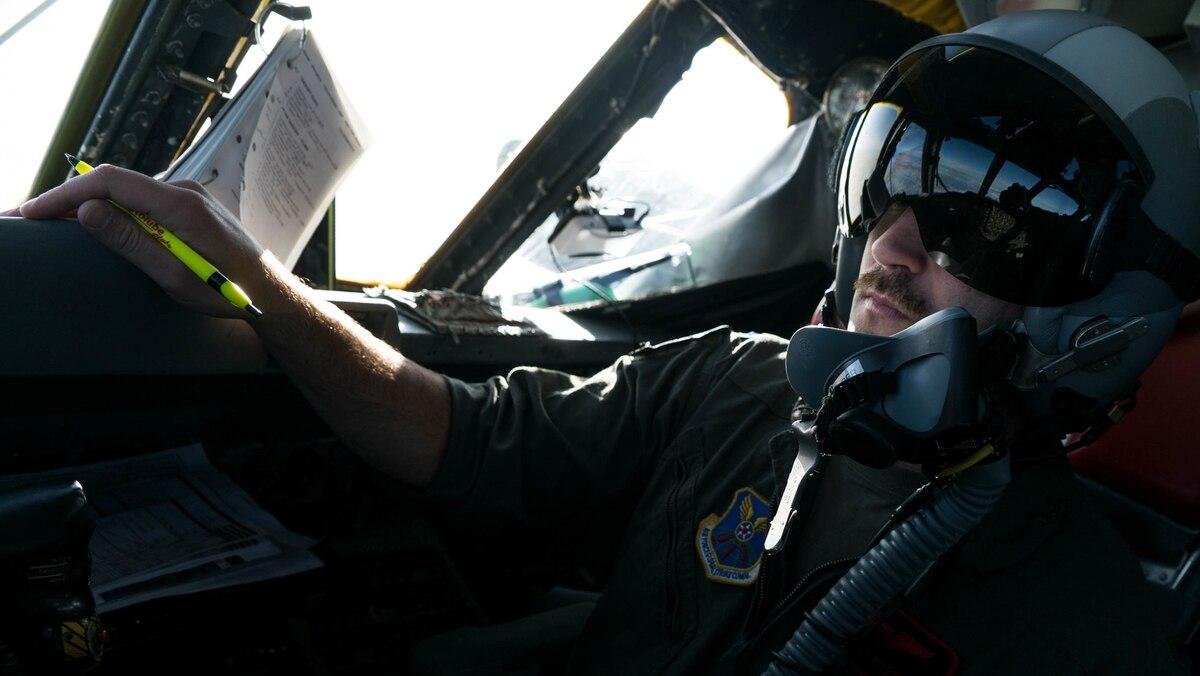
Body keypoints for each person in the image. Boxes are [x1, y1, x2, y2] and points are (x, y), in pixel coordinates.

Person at [10, 9, 1198, 675]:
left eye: (987, 231)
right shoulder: (733, 384)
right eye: (892, 182)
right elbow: (458, 432)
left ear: (1099, 313)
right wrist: (257, 281)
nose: (893, 244)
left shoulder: (1085, 638)